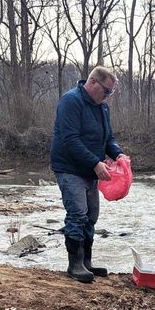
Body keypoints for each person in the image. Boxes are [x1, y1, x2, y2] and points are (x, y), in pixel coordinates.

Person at [50, 66, 124, 283]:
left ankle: (87, 262)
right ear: (93, 83)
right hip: (69, 167)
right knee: (78, 214)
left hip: (91, 169)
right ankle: (75, 265)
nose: (108, 97)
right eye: (107, 91)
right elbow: (70, 139)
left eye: (111, 93)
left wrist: (118, 155)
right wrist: (94, 162)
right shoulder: (70, 101)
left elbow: (108, 138)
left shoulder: (102, 108)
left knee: (91, 216)